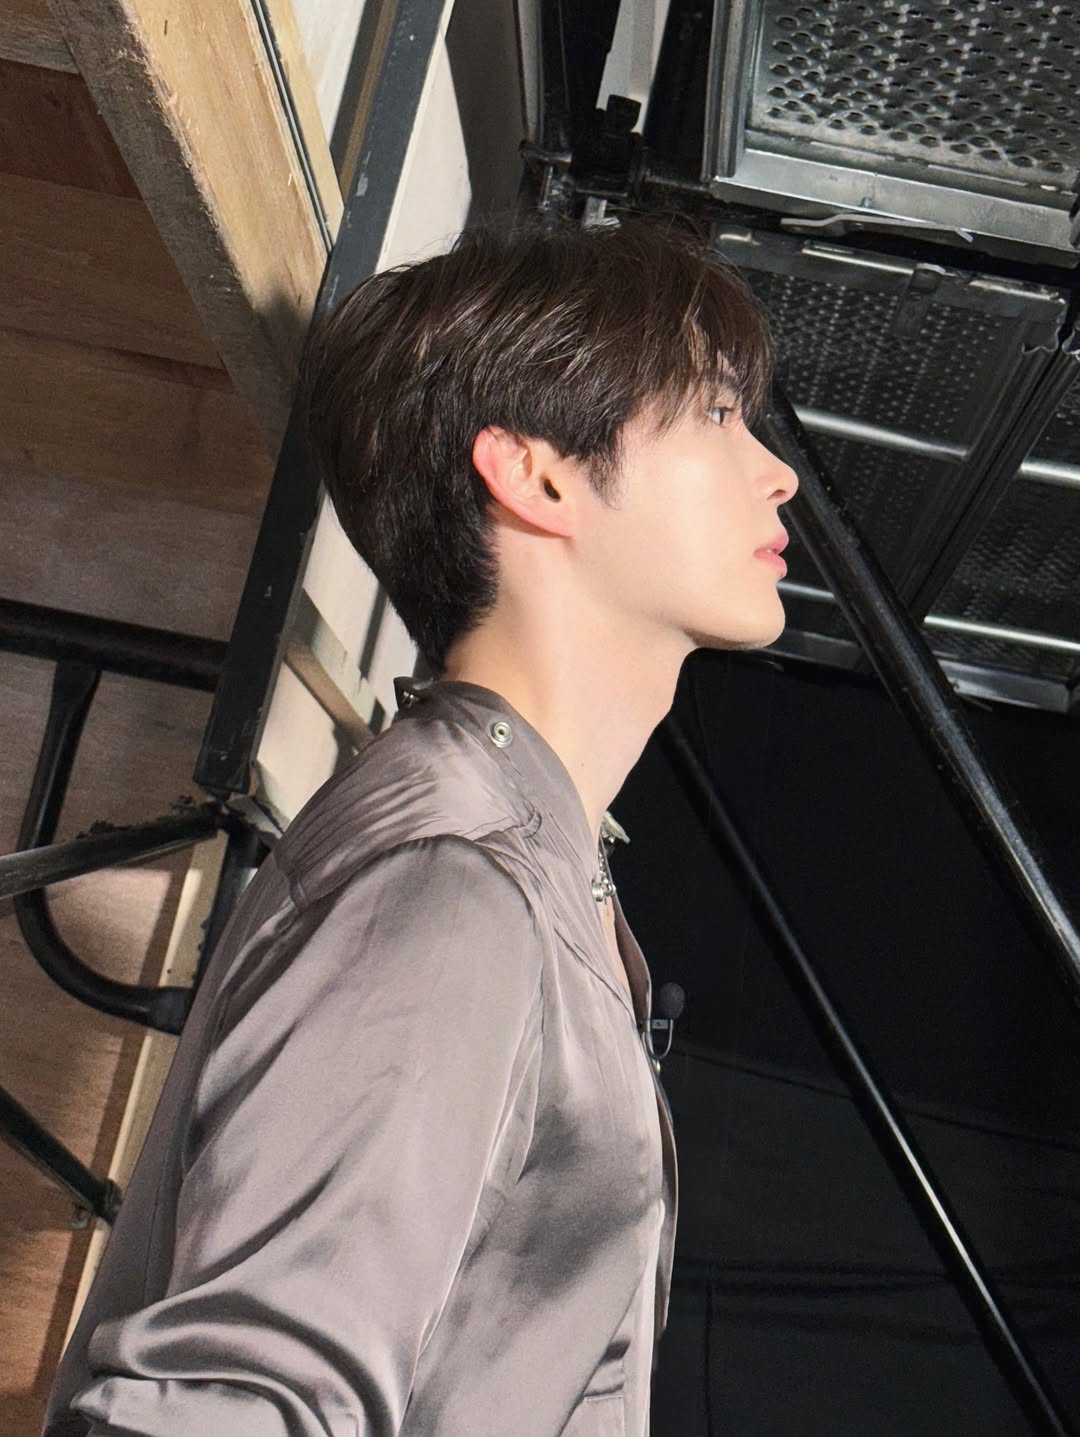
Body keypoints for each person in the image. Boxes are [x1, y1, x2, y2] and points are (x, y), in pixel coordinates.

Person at [44, 218, 797, 1437]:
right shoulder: (454, 883)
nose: (777, 473)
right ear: (536, 475)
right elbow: (227, 1406)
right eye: (716, 414)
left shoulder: (529, 867)